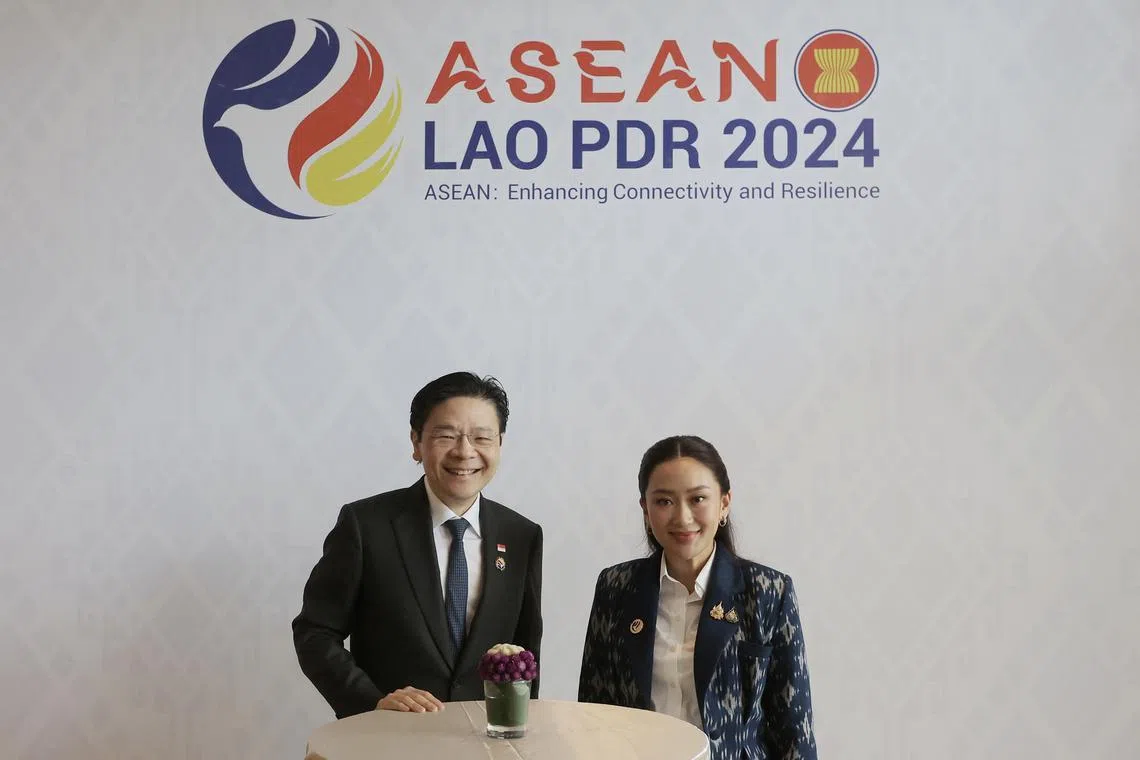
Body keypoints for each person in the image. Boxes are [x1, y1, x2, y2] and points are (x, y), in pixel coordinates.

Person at [293, 372, 543, 718]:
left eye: (482, 437)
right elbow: (315, 632)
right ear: (416, 442)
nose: (464, 451)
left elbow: (525, 655)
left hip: (486, 742)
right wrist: (371, 701)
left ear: (499, 443)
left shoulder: (521, 535)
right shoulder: (366, 526)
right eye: (446, 436)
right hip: (391, 738)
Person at [578, 435, 816, 759]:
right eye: (664, 501)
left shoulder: (769, 592)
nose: (683, 518)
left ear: (724, 504)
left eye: (698, 499)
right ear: (645, 510)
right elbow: (594, 717)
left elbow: (794, 731)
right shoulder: (616, 588)